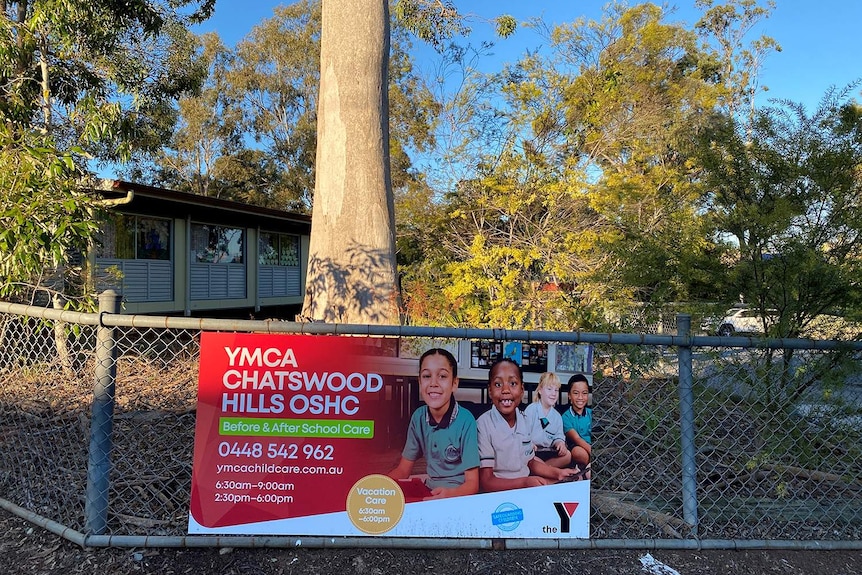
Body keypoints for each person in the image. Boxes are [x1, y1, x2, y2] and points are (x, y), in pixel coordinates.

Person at [388, 348, 479, 499]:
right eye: (426, 376)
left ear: (454, 383)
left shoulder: (466, 420)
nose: (433, 383)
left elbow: (473, 484)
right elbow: (403, 470)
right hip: (429, 492)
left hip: (459, 496)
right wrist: (379, 486)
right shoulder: (418, 417)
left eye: (442, 376)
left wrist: (449, 495)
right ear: (419, 381)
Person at [477, 358, 577, 492]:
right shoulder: (483, 424)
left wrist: (557, 473)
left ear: (522, 390)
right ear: (490, 390)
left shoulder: (523, 420)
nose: (506, 390)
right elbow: (486, 481)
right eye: (498, 384)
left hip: (526, 486)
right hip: (499, 492)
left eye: (513, 383)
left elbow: (530, 461)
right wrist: (524, 483)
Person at [523, 372, 571, 469]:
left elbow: (558, 436)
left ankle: (542, 470)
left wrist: (560, 443)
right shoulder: (531, 409)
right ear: (540, 390)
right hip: (531, 452)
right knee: (526, 456)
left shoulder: (557, 416)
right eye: (549, 389)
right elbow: (523, 433)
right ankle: (547, 472)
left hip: (548, 454)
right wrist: (529, 443)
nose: (553, 394)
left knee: (568, 455)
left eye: (556, 390)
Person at [563, 373, 592, 474]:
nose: (580, 397)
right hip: (579, 447)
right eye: (576, 393)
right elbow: (577, 439)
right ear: (569, 396)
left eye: (584, 393)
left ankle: (587, 469)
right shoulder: (566, 417)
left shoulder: (590, 413)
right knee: (578, 453)